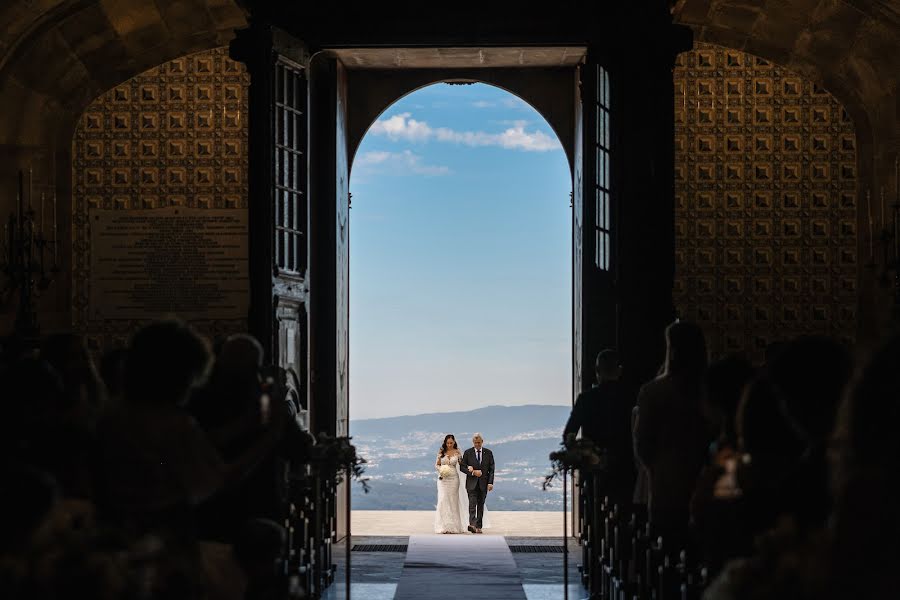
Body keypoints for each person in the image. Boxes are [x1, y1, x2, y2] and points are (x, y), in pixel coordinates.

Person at [634, 320, 710, 551]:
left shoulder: (654, 392)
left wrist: (657, 467)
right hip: (708, 483)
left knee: (668, 549)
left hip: (667, 485)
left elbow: (643, 444)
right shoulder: (710, 387)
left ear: (672, 351)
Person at [564, 349, 632, 507]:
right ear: (619, 370)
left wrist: (581, 454)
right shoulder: (631, 397)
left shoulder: (586, 399)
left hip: (594, 468)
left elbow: (569, 434)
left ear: (597, 371)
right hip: (626, 466)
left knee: (595, 508)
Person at [459, 433, 495, 533]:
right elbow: (462, 467)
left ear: (482, 442)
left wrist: (490, 483)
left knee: (480, 505)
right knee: (472, 504)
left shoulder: (488, 453)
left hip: (484, 484)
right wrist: (472, 472)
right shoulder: (467, 453)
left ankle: (479, 526)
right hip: (471, 483)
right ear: (473, 442)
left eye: (479, 442)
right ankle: (472, 525)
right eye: (475, 443)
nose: (477, 444)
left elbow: (491, 469)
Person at [433, 434, 465, 534]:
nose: (449, 445)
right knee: (443, 500)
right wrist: (441, 470)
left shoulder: (457, 452)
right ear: (445, 443)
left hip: (454, 479)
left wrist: (469, 468)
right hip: (443, 480)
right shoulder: (441, 452)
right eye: (448, 443)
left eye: (451, 443)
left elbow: (462, 464)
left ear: (454, 442)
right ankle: (443, 526)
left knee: (452, 501)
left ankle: (454, 527)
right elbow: (437, 464)